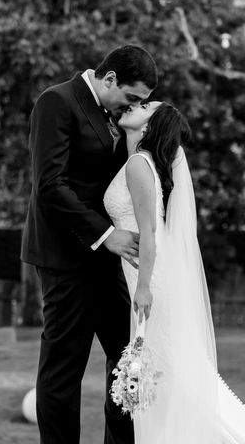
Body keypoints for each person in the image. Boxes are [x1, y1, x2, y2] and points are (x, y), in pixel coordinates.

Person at [20, 44, 157, 444]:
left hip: (105, 261)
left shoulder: (114, 114)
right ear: (110, 78)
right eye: (131, 98)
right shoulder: (57, 102)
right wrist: (106, 235)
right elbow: (50, 185)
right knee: (65, 370)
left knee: (129, 360)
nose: (132, 107)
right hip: (66, 257)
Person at [104, 101, 245, 443]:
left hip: (149, 276)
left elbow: (149, 233)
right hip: (147, 271)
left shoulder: (139, 164)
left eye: (144, 106)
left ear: (149, 127)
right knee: (166, 369)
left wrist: (144, 288)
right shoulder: (141, 162)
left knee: (165, 369)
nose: (135, 105)